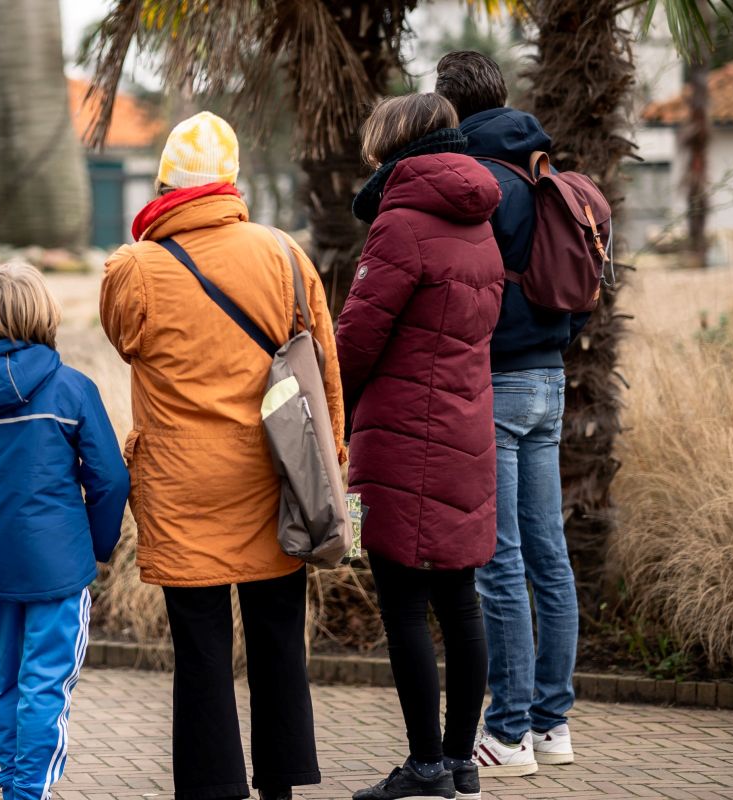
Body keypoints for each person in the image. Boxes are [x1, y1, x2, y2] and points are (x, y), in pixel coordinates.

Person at [99, 111, 346, 800]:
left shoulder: (135, 266)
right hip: (276, 476)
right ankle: (280, 784)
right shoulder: (284, 255)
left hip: (182, 483)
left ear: (164, 181)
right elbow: (323, 374)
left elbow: (124, 340)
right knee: (277, 639)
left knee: (201, 651)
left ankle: (212, 790)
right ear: (229, 182)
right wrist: (336, 467)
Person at [334, 93, 504, 800]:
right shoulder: (478, 221)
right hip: (464, 429)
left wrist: (323, 402)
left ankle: (425, 764)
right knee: (459, 600)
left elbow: (357, 341)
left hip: (405, 435)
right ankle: (460, 758)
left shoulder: (399, 224)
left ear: (395, 142)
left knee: (402, 602)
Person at [436, 50, 583, 777]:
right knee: (547, 554)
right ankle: (553, 726)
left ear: (448, 108)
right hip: (550, 377)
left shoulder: (479, 183)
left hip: (494, 380)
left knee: (499, 563)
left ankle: (510, 731)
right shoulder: (543, 166)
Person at [0, 262, 129, 800]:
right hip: (59, 571)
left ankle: (10, 780)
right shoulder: (72, 389)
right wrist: (96, 546)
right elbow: (110, 479)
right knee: (47, 683)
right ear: (45, 314)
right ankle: (26, 791)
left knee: (3, 681)